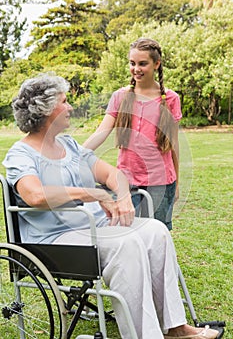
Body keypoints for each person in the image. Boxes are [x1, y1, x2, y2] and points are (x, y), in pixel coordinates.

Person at [3, 73, 219, 339]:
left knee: (155, 230)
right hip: (54, 239)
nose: (70, 107)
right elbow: (34, 195)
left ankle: (175, 327)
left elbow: (112, 175)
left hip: (95, 227)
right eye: (65, 102)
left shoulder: (69, 146)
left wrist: (123, 197)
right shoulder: (21, 154)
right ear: (46, 109)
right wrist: (95, 194)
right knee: (126, 244)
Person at [84, 37, 181, 230]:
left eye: (142, 63)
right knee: (126, 233)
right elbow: (102, 131)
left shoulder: (170, 98)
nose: (136, 68)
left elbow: (174, 145)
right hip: (126, 182)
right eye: (132, 63)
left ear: (156, 64)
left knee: (156, 234)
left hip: (161, 182)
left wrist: (176, 183)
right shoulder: (120, 97)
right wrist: (77, 152)